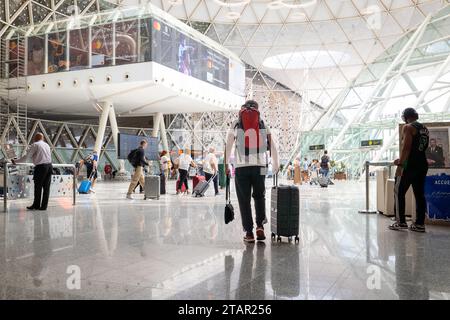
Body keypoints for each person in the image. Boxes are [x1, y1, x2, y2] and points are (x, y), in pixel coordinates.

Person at [225, 100, 279, 243]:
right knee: (260, 196)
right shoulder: (262, 124)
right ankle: (260, 226)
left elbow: (229, 144)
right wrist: (276, 164)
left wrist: (226, 164)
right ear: (257, 109)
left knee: (244, 200)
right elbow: (272, 145)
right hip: (260, 166)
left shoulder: (236, 124)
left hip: (241, 167)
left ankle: (249, 233)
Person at [390, 108, 429, 233]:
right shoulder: (424, 129)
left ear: (406, 117)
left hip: (409, 165)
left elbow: (406, 148)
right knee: (419, 195)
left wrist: (401, 163)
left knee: (399, 191)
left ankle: (401, 222)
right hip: (422, 164)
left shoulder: (408, 127)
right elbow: (421, 148)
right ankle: (419, 224)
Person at [13, 133, 52, 211]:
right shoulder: (47, 145)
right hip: (49, 166)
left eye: (34, 137)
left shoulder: (35, 145)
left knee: (38, 187)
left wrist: (16, 161)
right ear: (43, 138)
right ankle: (44, 206)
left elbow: (27, 157)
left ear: (36, 138)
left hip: (41, 167)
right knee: (46, 187)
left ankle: (36, 205)